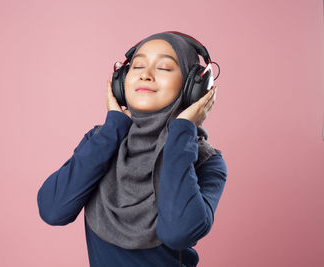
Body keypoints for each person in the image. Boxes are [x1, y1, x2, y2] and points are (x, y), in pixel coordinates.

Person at [37, 31, 227, 267]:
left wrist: (182, 131)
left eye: (165, 68)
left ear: (193, 87)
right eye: (137, 66)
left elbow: (178, 232)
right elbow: (53, 209)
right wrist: (113, 126)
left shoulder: (206, 161)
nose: (146, 75)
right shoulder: (101, 142)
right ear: (120, 80)